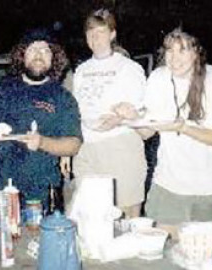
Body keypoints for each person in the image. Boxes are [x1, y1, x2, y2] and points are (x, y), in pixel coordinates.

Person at [139, 28, 212, 227]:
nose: (174, 58)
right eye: (170, 50)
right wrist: (130, 118)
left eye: (182, 50)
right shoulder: (158, 78)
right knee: (162, 253)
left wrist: (184, 128)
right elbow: (146, 132)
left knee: (206, 255)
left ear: (197, 52)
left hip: (211, 190)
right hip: (168, 187)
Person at [0, 30, 83, 208]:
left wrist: (42, 142)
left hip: (39, 196)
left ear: (54, 58)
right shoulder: (0, 88)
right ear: (22, 55)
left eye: (45, 50)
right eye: (32, 49)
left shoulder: (62, 97)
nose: (38, 55)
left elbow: (73, 144)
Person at [61, 9, 147, 218]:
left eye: (101, 32)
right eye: (90, 33)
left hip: (120, 145)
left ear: (112, 34)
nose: (95, 38)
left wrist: (120, 118)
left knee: (126, 216)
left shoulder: (130, 68)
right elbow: (72, 112)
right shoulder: (81, 71)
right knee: (90, 216)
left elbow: (142, 110)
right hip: (86, 149)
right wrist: (66, 149)